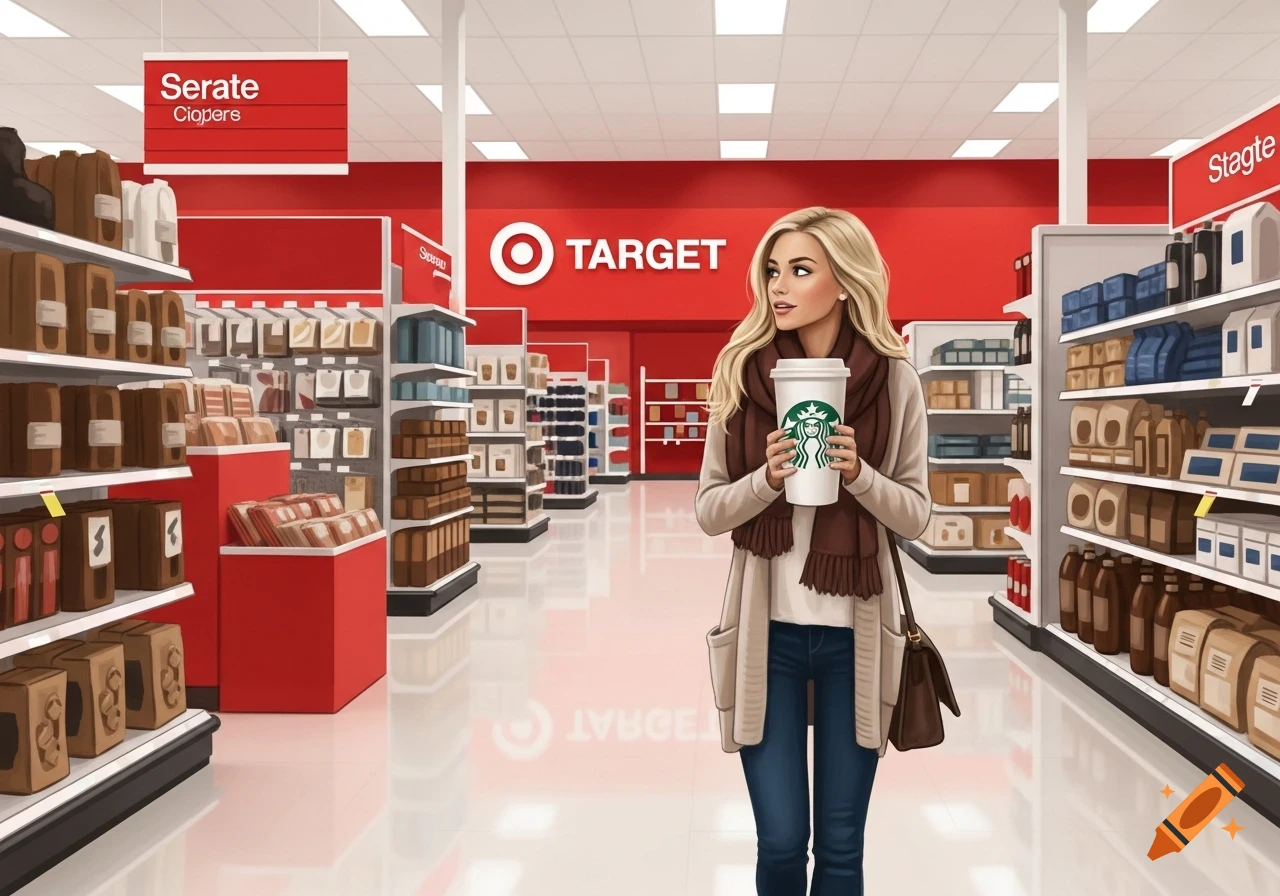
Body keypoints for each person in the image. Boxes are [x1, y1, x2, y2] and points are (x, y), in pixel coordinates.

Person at [695, 207, 930, 895]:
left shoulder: (894, 382)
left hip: (856, 639)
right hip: (765, 637)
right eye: (773, 270)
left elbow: (915, 515)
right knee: (777, 843)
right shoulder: (740, 372)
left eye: (801, 269)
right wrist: (765, 480)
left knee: (839, 850)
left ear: (847, 281)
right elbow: (710, 511)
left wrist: (860, 475)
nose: (780, 285)